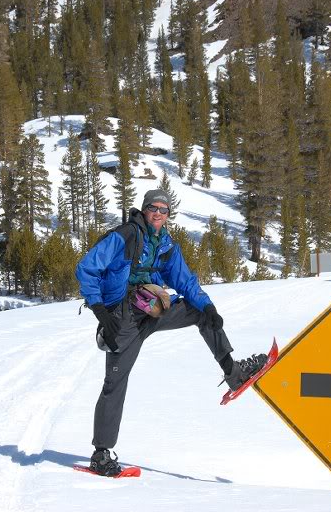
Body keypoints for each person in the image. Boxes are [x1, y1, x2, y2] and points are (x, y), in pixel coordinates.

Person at [75, 188, 267, 476]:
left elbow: (185, 281)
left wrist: (209, 307)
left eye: (164, 210)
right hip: (123, 318)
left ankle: (234, 373)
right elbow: (87, 268)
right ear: (145, 209)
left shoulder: (165, 243)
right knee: (115, 383)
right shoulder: (126, 234)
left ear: (168, 215)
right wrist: (100, 309)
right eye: (154, 208)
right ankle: (101, 455)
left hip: (152, 310)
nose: (158, 214)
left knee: (200, 313)